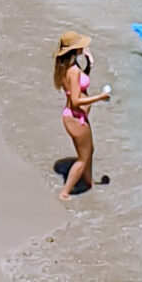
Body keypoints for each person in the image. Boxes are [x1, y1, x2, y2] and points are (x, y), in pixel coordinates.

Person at [53, 32, 110, 200]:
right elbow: (77, 100)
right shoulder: (73, 71)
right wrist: (100, 97)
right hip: (76, 117)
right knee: (83, 158)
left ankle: (89, 182)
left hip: (73, 116)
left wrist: (89, 65)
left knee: (89, 150)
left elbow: (77, 86)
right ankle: (65, 193)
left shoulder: (67, 66)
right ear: (75, 49)